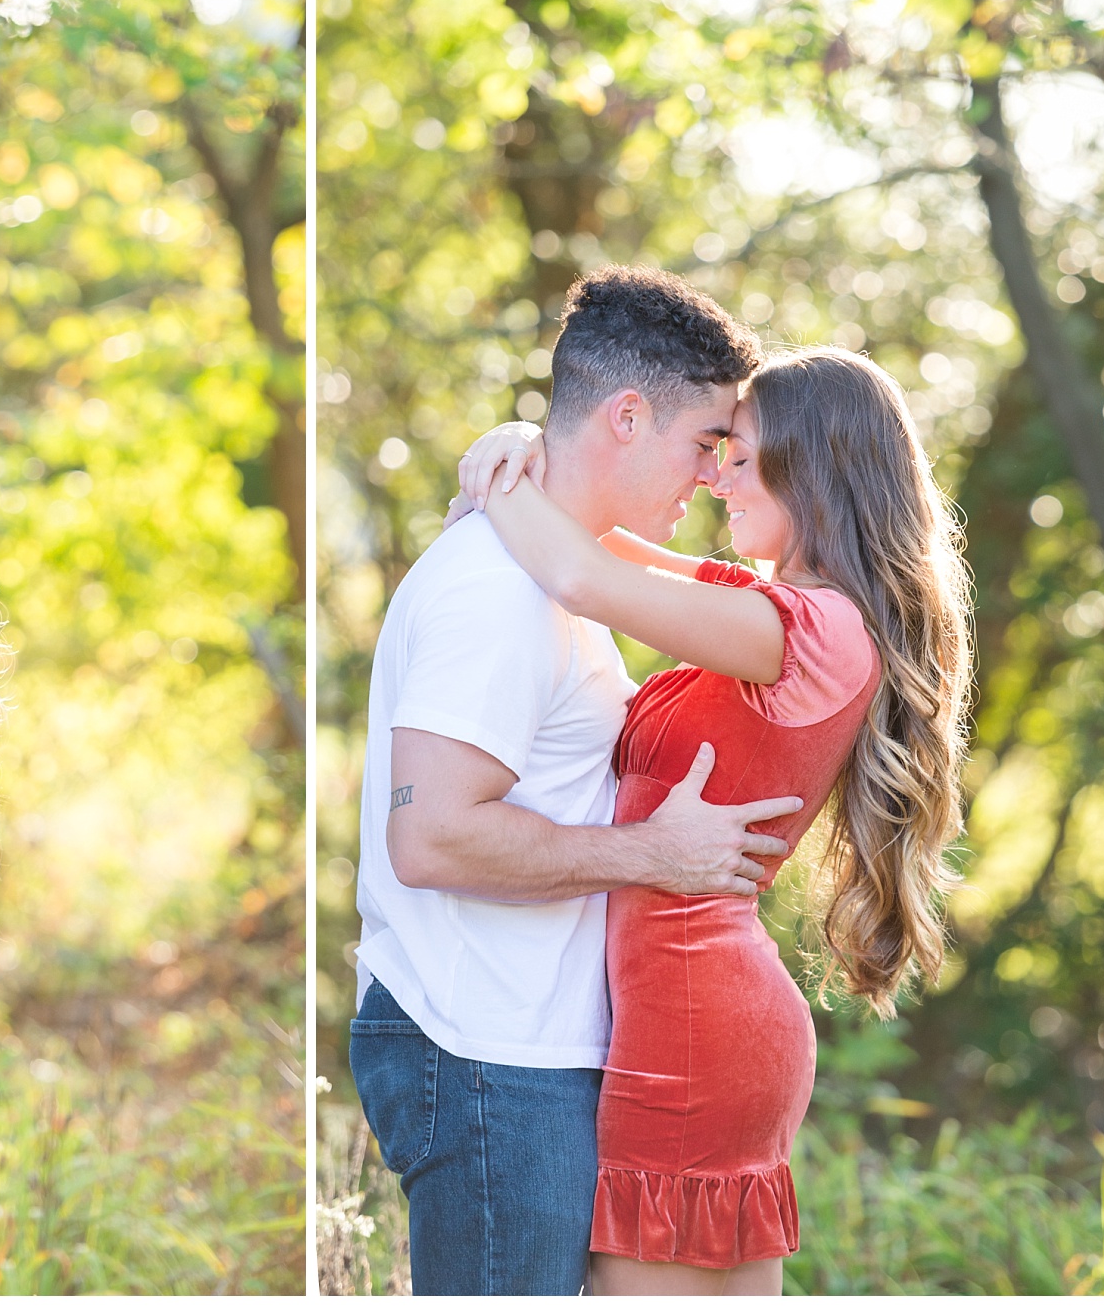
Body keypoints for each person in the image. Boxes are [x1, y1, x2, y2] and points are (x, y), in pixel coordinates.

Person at [455, 343, 972, 1295]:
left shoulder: (811, 629)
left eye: (741, 455)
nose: (716, 478)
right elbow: (606, 543)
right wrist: (524, 442)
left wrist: (493, 484)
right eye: (717, 451)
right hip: (697, 1009)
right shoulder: (779, 606)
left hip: (692, 1020)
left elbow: (580, 577)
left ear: (815, 467)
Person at [351, 265, 807, 1296]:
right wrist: (656, 854)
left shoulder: (555, 574)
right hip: (483, 1052)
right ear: (628, 416)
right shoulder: (496, 591)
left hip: (521, 1044)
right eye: (706, 442)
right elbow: (431, 836)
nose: (712, 475)